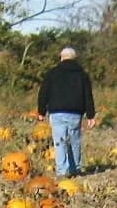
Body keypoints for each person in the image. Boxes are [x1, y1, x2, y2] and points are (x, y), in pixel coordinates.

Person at [36, 47, 96, 179]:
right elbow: (88, 96)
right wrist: (90, 115)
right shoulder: (82, 75)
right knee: (74, 140)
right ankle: (75, 169)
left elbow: (43, 92)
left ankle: (62, 170)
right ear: (75, 59)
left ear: (61, 58)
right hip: (75, 113)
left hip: (57, 112)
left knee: (60, 141)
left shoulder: (52, 73)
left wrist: (41, 111)